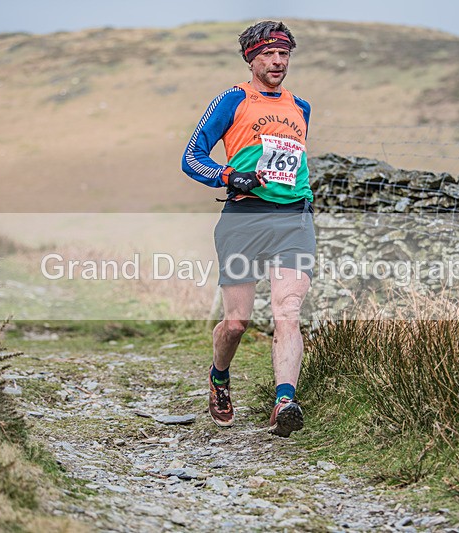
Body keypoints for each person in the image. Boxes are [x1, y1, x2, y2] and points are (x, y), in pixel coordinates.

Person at [181, 20, 315, 437]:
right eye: (270, 54)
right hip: (244, 219)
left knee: (287, 313)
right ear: (251, 58)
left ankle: (285, 401)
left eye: (285, 53)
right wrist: (227, 176)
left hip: (294, 218)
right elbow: (192, 157)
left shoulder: (301, 107)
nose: (278, 61)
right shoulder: (233, 99)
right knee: (237, 323)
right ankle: (219, 377)